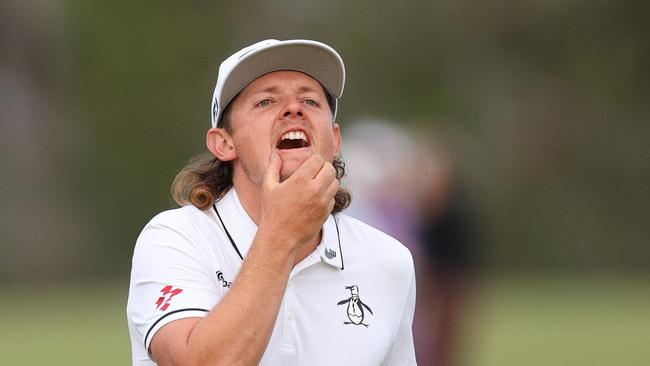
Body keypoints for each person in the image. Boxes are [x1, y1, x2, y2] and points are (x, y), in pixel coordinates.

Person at [126, 39, 417, 366]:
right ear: (224, 143)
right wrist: (282, 233)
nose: (294, 109)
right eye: (265, 102)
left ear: (334, 140)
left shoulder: (389, 260)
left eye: (310, 99)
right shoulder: (175, 239)